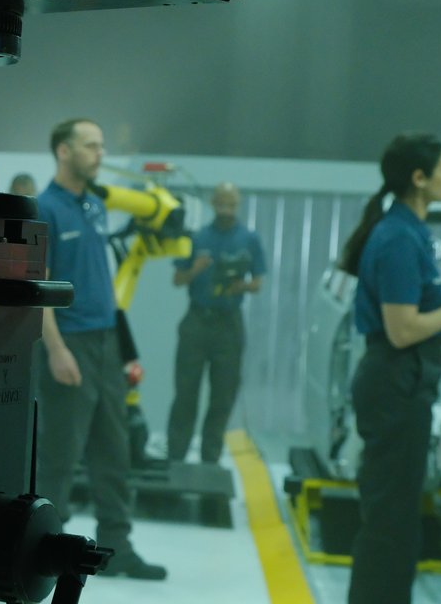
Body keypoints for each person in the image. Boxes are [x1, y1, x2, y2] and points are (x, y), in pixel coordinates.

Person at [341, 134, 441, 604]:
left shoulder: (411, 231)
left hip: (408, 385)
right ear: (419, 178)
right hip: (394, 381)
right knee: (385, 521)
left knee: (402, 518)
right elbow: (402, 330)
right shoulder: (398, 237)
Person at [34, 118, 166, 579]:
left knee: (115, 449)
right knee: (60, 453)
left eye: (102, 145)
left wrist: (124, 349)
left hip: (107, 342)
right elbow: (38, 288)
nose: (100, 154)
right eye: (91, 146)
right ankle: (44, 549)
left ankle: (117, 547)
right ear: (63, 151)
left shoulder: (94, 205)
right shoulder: (43, 210)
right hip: (70, 343)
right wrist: (55, 349)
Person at [168, 183, 267, 465]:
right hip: (197, 320)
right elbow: (177, 280)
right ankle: (176, 456)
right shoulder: (197, 237)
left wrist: (242, 286)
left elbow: (258, 282)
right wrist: (195, 270)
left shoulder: (249, 239)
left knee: (223, 395)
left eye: (231, 204)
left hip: (229, 325)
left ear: (238, 204)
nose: (226, 209)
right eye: (221, 203)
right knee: (186, 392)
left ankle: (210, 459)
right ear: (213, 203)